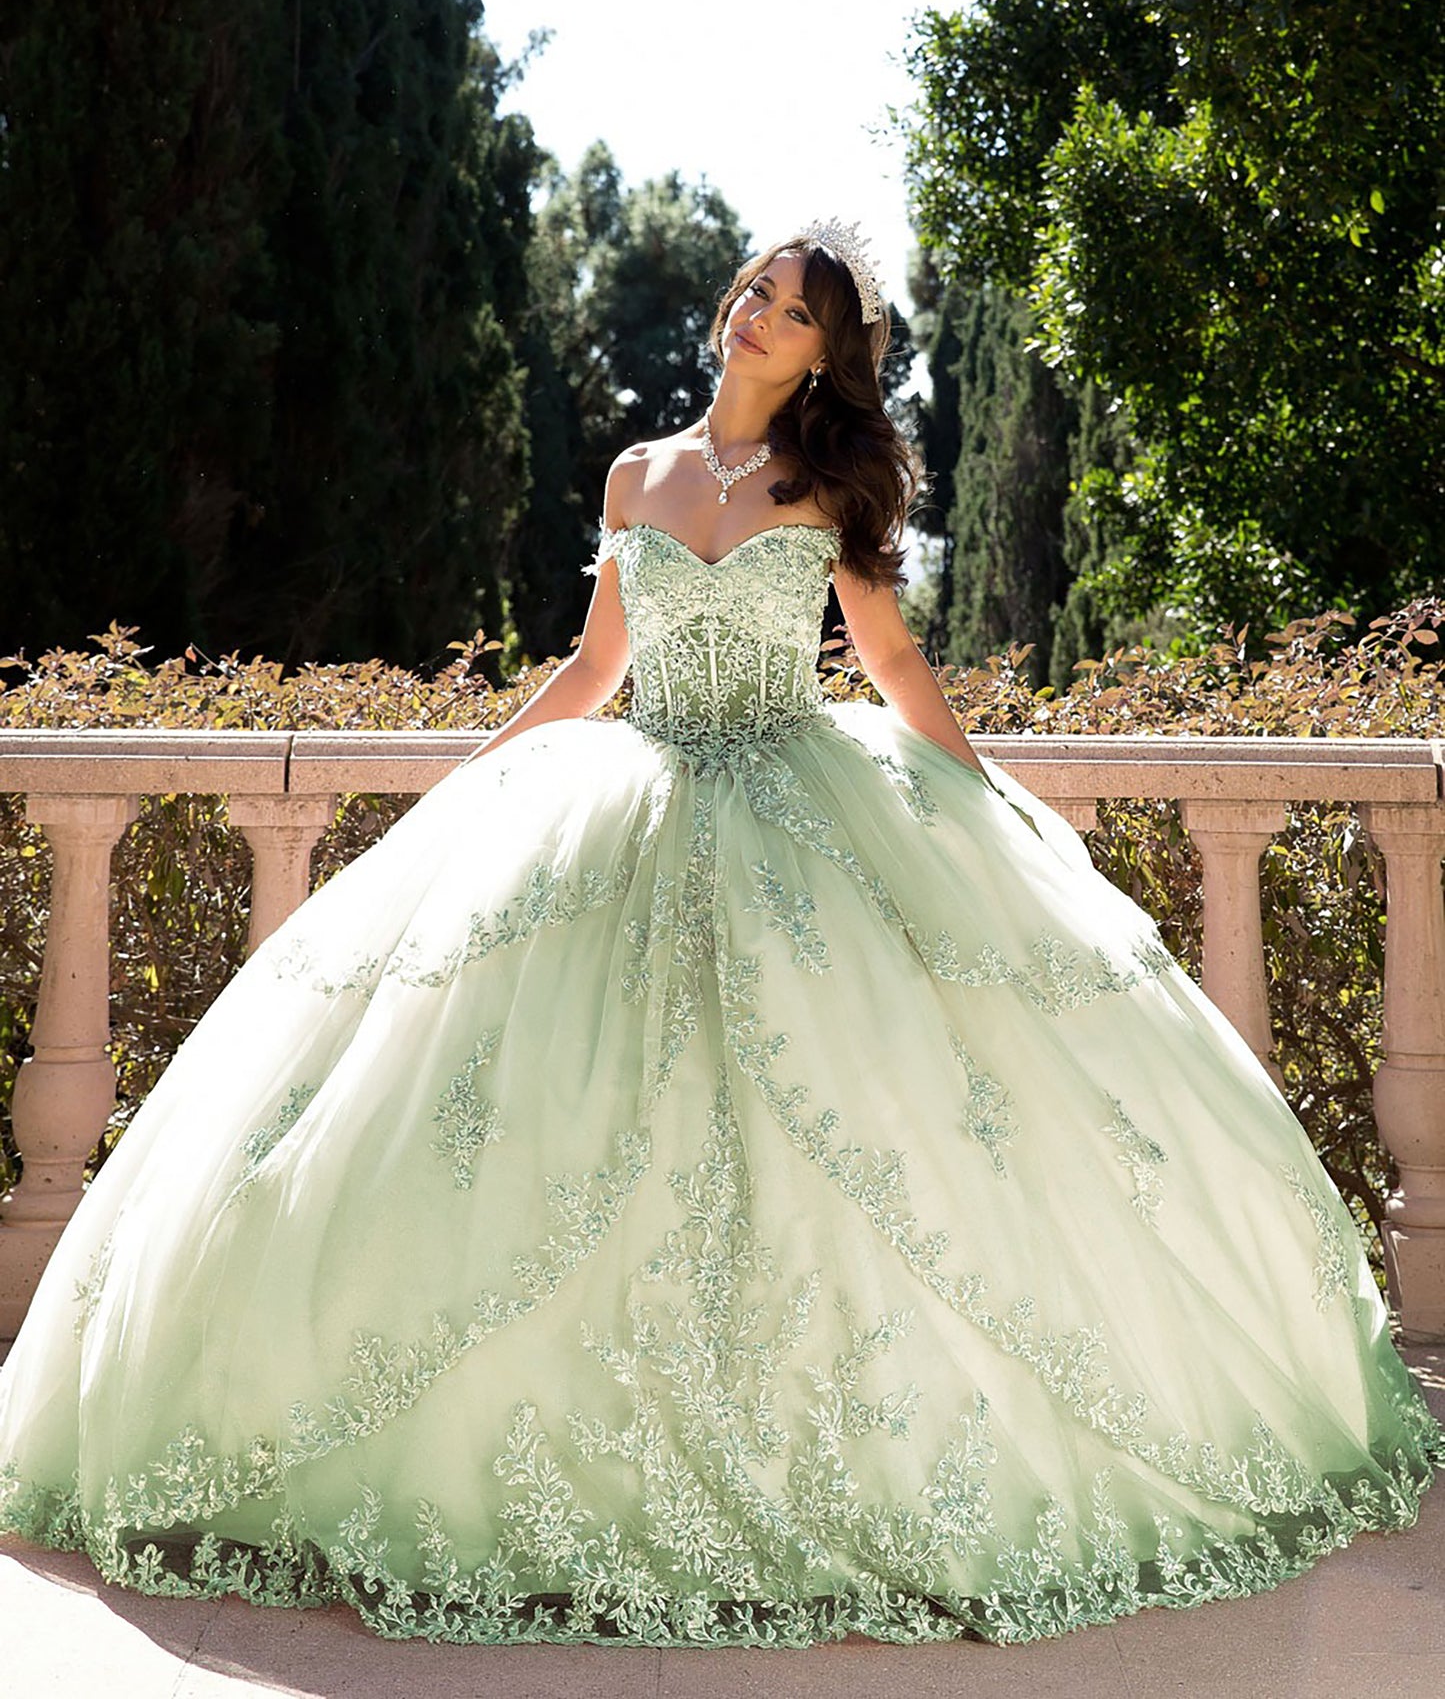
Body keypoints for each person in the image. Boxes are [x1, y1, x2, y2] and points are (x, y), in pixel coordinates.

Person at [0, 223, 1439, 1649]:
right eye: (754, 289)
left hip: (798, 813)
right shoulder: (639, 471)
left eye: (794, 309)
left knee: (843, 1124)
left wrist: (979, 795)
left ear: (825, 354)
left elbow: (887, 660)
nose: (757, 314)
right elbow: (593, 664)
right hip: (622, 803)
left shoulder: (823, 489)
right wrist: (477, 777)